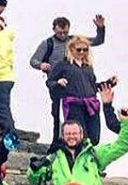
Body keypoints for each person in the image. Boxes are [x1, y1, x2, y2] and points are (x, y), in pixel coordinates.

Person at [30, 15, 106, 151]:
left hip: (79, 86)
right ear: (54, 29)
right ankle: (57, 144)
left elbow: (97, 41)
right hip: (59, 85)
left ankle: (70, 147)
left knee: (88, 131)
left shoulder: (75, 41)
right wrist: (41, 65)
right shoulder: (48, 43)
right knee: (58, 114)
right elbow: (33, 60)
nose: (63, 35)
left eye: (65, 32)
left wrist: (100, 28)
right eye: (60, 32)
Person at [27, 115, 128, 185]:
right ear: (62, 136)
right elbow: (34, 179)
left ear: (82, 134)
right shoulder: (54, 158)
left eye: (75, 133)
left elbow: (121, 146)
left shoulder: (94, 154)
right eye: (68, 134)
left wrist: (126, 123)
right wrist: (34, 169)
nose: (71, 136)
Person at [47, 35, 102, 145]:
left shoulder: (88, 67)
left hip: (91, 104)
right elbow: (49, 81)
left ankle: (90, 159)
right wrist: (58, 82)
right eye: (79, 49)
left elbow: (93, 87)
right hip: (74, 105)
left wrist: (108, 83)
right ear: (71, 49)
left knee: (95, 138)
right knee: (81, 136)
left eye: (85, 49)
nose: (82, 52)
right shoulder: (63, 64)